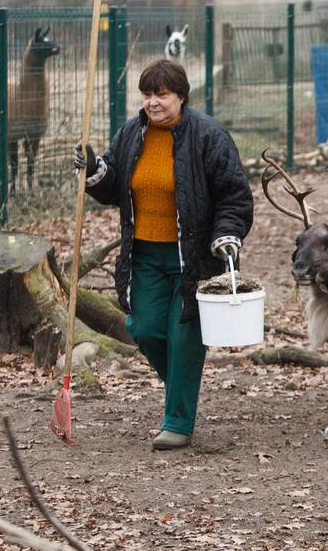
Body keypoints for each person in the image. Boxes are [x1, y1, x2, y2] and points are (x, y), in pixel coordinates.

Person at [74, 59, 253, 450]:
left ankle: (177, 422)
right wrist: (94, 169)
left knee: (185, 336)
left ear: (181, 96)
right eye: (148, 94)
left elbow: (234, 195)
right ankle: (181, 387)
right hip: (144, 256)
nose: (153, 102)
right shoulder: (131, 134)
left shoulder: (208, 136)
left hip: (195, 257)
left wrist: (227, 234)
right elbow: (113, 187)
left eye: (162, 95)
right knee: (145, 328)